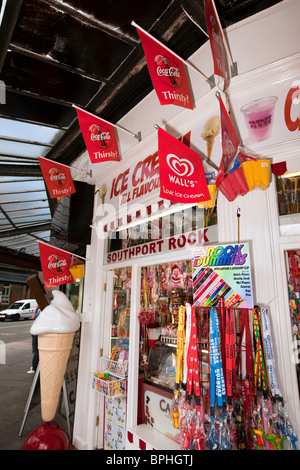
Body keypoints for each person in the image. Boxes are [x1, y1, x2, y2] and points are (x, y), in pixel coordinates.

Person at [27, 305, 40, 374]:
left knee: (35, 350)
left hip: (36, 332)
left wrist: (36, 308)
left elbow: (33, 316)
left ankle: (34, 367)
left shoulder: (41, 311)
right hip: (40, 332)